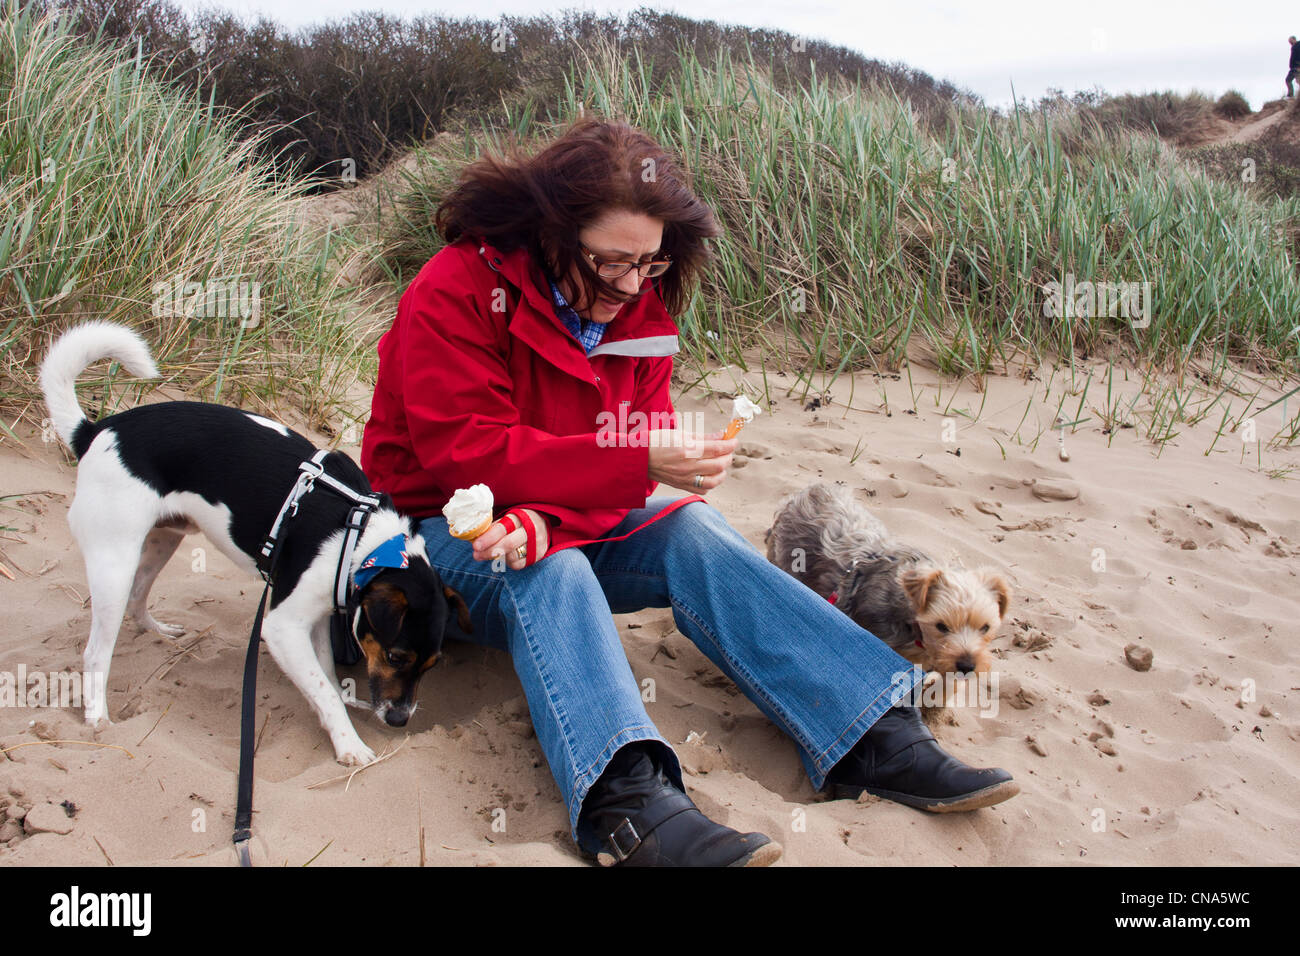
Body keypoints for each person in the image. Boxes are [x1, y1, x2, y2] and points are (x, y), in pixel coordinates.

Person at [360, 117, 1019, 867]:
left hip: (554, 519)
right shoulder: (457, 288)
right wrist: (619, 472)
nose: (632, 285)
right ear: (550, 232)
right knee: (551, 566)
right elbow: (467, 457)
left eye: (649, 262)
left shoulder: (641, 307)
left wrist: (567, 507)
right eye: (611, 261)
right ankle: (626, 800)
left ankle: (869, 728)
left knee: (691, 524)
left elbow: (630, 477)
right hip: (429, 535)